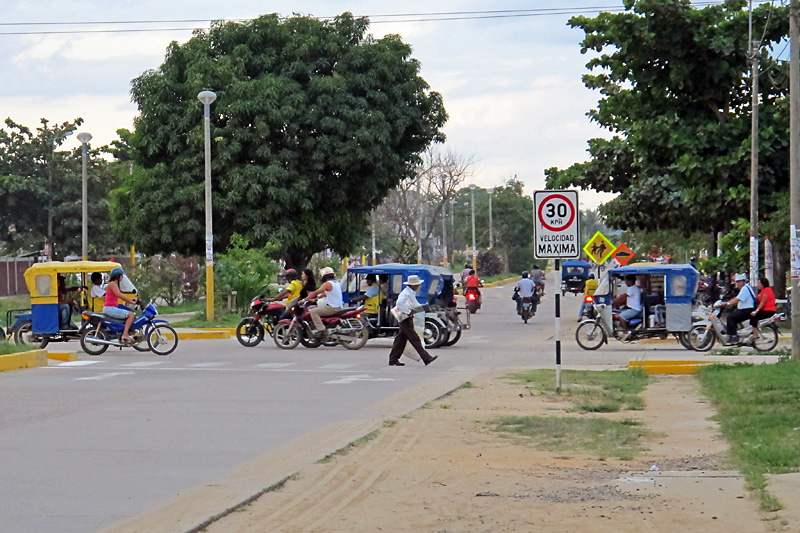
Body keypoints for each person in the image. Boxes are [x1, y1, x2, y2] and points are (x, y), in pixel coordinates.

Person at [388, 274, 437, 367]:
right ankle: (426, 358)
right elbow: (399, 303)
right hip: (404, 318)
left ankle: (393, 359)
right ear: (413, 285)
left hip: (406, 318)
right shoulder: (406, 293)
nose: (418, 286)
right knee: (414, 338)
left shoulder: (410, 292)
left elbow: (415, 304)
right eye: (417, 284)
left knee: (400, 340)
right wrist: (408, 311)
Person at [301, 267, 343, 337]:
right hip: (338, 306)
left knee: (313, 311)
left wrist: (304, 300)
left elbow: (315, 292)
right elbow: (327, 293)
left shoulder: (327, 284)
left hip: (332, 307)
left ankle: (321, 330)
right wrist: (316, 299)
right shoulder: (336, 283)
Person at [104, 267, 138, 343]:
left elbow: (117, 295)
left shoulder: (114, 284)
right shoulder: (113, 284)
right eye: (121, 275)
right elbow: (118, 294)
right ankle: (125, 334)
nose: (122, 277)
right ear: (118, 276)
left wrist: (129, 300)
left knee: (129, 314)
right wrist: (130, 300)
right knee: (131, 315)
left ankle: (124, 332)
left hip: (111, 307)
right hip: (110, 308)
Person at [724, 273, 757, 344]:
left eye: (739, 282)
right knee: (733, 316)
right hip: (745, 310)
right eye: (737, 282)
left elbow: (737, 299)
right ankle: (735, 333)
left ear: (744, 281)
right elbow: (737, 299)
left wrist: (727, 303)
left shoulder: (745, 289)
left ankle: (733, 337)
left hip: (747, 310)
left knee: (730, 318)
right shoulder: (746, 288)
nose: (737, 283)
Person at [612, 274, 642, 340]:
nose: (625, 282)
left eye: (626, 281)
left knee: (621, 316)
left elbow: (624, 296)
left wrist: (614, 300)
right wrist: (618, 303)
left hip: (635, 309)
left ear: (631, 281)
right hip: (633, 308)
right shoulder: (633, 288)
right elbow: (625, 299)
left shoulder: (632, 288)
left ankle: (625, 332)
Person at [748, 277, 776, 342]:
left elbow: (763, 302)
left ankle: (755, 334)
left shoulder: (767, 290)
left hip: (768, 311)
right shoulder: (762, 291)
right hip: (765, 310)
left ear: (763, 284)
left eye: (759, 283)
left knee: (753, 317)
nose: (758, 285)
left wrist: (756, 311)